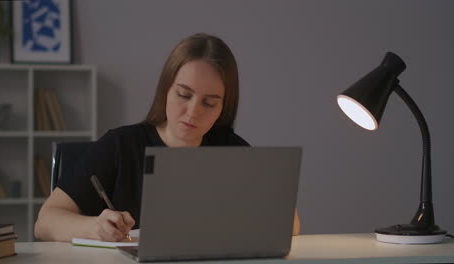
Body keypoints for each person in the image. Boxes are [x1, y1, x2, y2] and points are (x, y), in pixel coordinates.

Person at [34, 33, 300, 242]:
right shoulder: (121, 145)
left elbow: (290, 223)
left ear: (223, 108)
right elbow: (45, 221)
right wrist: (95, 226)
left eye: (209, 103)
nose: (193, 112)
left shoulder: (232, 150)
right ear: (166, 90)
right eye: (184, 95)